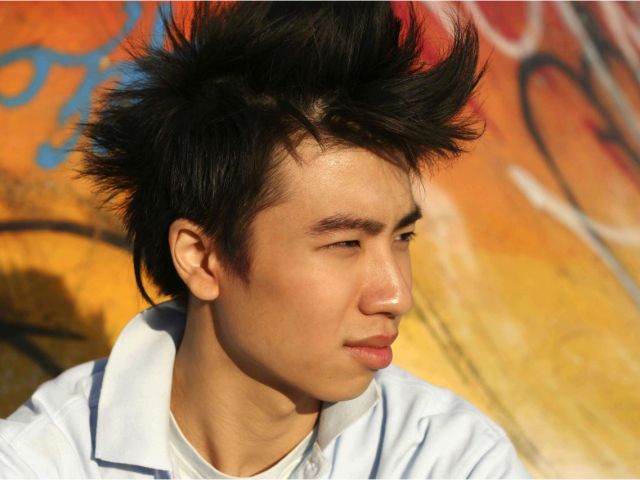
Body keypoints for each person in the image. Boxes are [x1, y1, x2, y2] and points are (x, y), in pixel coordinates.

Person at [0, 2, 529, 478]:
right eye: (346, 243)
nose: (396, 295)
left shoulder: (444, 458)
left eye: (402, 236)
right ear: (201, 258)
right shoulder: (44, 461)